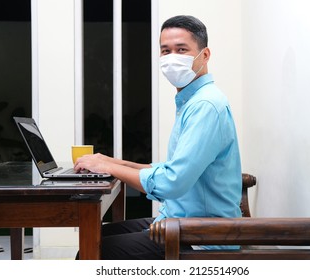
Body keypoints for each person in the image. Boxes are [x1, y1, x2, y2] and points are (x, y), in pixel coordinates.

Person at [74, 15, 242, 259]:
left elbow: (171, 182)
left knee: (92, 251)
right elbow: (170, 169)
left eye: (181, 50)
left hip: (202, 237)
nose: (172, 57)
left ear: (204, 55)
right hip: (180, 222)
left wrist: (109, 166)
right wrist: (110, 163)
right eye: (166, 50)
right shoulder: (192, 101)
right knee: (98, 235)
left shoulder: (206, 106)